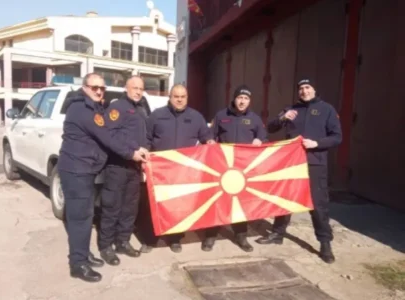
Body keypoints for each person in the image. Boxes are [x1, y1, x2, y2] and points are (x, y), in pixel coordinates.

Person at [57, 73, 148, 282]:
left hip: (85, 169)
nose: (99, 91)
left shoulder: (94, 107)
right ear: (85, 88)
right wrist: (132, 153)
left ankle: (83, 254)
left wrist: (136, 149)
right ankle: (78, 264)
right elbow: (107, 136)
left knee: (85, 216)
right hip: (76, 169)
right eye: (94, 87)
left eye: (102, 88)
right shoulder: (81, 109)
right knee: (81, 218)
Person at [255, 78, 342, 264]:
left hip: (314, 163)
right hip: (291, 164)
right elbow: (270, 127)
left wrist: (317, 143)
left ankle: (325, 243)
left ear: (314, 89)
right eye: (301, 88)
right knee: (285, 199)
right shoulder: (291, 109)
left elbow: (337, 137)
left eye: (307, 87)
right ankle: (277, 234)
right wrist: (282, 118)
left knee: (318, 205)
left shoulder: (327, 109)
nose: (304, 91)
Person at [139, 84, 215, 254]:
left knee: (178, 206)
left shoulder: (196, 117)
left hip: (184, 172)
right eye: (176, 96)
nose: (179, 99)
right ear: (170, 97)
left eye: (183, 96)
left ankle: (175, 238)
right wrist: (145, 157)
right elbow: (147, 139)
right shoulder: (157, 116)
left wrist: (210, 141)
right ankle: (150, 239)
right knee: (155, 205)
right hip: (161, 171)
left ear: (187, 98)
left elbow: (206, 136)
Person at [201, 84, 268, 252]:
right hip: (222, 167)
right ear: (234, 98)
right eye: (240, 98)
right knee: (218, 201)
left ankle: (241, 237)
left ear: (249, 101)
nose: (242, 101)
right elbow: (211, 134)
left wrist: (260, 140)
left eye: (246, 99)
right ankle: (210, 236)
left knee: (240, 203)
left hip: (243, 170)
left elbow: (263, 136)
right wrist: (210, 141)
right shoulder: (221, 115)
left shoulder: (255, 119)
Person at [98, 76, 150, 265]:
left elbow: (144, 136)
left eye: (141, 88)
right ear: (126, 88)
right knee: (112, 207)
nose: (138, 91)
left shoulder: (141, 110)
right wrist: (130, 153)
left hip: (134, 168)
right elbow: (109, 136)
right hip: (117, 166)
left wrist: (145, 149)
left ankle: (123, 241)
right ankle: (106, 246)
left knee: (129, 208)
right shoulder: (117, 107)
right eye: (134, 87)